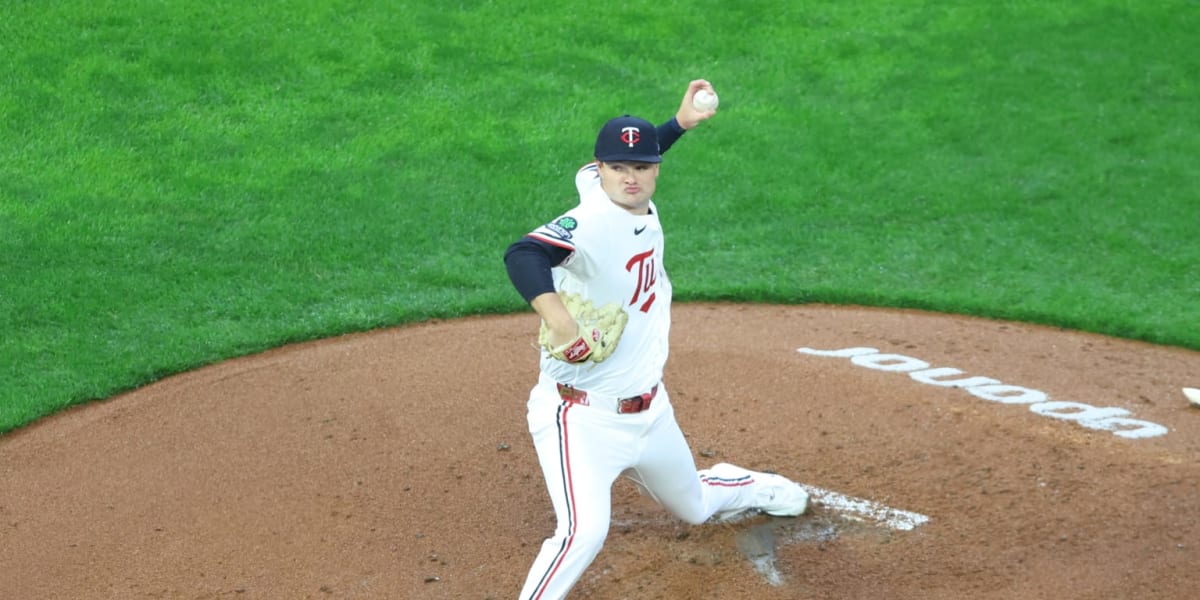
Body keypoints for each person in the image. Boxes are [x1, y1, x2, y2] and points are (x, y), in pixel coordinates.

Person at [503, 79, 810, 600]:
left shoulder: (618, 188)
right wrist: (558, 319)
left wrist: (679, 124)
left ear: (655, 170)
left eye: (641, 166)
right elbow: (523, 254)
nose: (629, 177)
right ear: (597, 170)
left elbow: (639, 153)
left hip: (650, 411)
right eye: (617, 168)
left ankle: (747, 483)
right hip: (580, 417)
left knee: (692, 507)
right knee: (584, 532)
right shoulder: (590, 220)